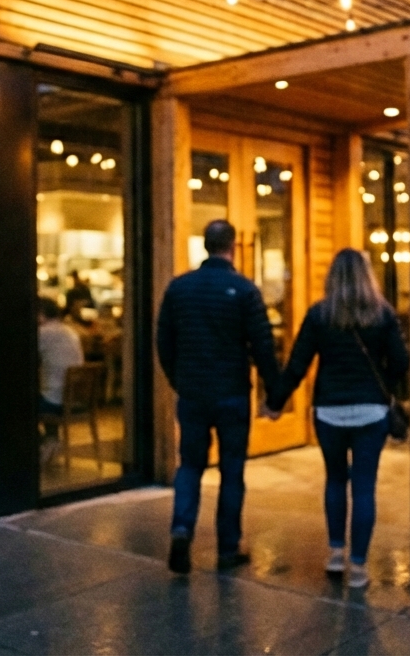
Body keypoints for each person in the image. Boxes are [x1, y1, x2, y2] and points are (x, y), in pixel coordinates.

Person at [267, 249, 409, 588]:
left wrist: (276, 402)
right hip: (371, 412)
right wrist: (384, 388)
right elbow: (401, 362)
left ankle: (335, 554)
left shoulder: (319, 314)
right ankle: (358, 567)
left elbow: (297, 363)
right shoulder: (382, 314)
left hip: (329, 411)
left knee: (334, 480)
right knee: (364, 487)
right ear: (367, 276)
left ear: (333, 277)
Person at [157, 219, 281, 574]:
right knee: (232, 470)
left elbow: (163, 341)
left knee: (190, 466)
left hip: (193, 393)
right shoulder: (244, 290)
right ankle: (228, 547)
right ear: (233, 245)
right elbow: (262, 347)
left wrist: (178, 380)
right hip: (232, 394)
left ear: (205, 245)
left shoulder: (179, 289)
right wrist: (275, 394)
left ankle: (182, 529)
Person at [38, 297, 85, 463]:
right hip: (74, 399)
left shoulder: (44, 332)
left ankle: (41, 443)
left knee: (14, 404)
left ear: (41, 314)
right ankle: (51, 440)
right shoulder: (70, 331)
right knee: (48, 390)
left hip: (56, 402)